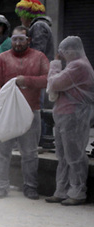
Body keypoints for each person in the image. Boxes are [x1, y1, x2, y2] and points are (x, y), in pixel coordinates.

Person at [0, 26, 49, 200]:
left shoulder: (39, 57)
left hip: (31, 111)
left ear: (28, 40)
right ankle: (0, 185)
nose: (17, 42)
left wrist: (28, 81)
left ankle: (30, 186)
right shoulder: (2, 58)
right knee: (1, 151)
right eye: (14, 39)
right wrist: (1, 103)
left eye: (21, 39)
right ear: (11, 40)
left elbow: (47, 78)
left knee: (30, 152)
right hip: (6, 113)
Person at [45, 36, 94, 206]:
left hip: (73, 115)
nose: (63, 55)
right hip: (66, 114)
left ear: (73, 50)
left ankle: (77, 192)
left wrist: (55, 65)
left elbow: (54, 83)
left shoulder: (78, 66)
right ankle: (62, 190)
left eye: (65, 51)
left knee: (74, 154)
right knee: (63, 155)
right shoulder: (76, 65)